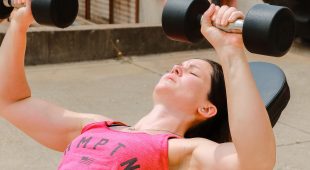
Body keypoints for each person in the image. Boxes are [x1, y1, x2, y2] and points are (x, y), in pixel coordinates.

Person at [0, 0, 276, 169]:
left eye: (193, 73)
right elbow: (10, 101)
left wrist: (230, 51)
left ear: (207, 108)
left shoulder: (183, 152)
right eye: (177, 65)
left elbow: (255, 162)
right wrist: (19, 23)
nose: (177, 67)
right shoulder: (93, 126)